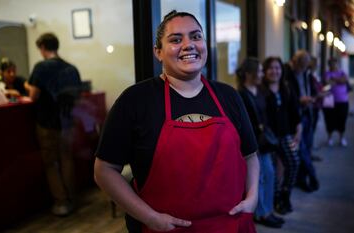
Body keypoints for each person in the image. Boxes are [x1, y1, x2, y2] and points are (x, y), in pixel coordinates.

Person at [94, 11, 259, 233]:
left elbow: (250, 156)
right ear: (158, 52)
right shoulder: (135, 101)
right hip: (163, 229)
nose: (188, 45)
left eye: (196, 36)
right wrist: (150, 217)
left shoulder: (229, 96)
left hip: (230, 225)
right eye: (175, 39)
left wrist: (252, 197)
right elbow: (104, 170)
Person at [25, 32, 82, 216]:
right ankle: (72, 198)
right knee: (67, 159)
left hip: (47, 123)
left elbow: (33, 95)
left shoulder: (41, 67)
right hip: (67, 122)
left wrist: (26, 85)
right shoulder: (71, 68)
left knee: (51, 163)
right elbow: (77, 96)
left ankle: (61, 203)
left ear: (42, 47)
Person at [237, 57, 284, 228]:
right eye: (259, 71)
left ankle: (267, 210)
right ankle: (262, 213)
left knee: (268, 175)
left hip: (263, 143)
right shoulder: (242, 94)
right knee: (261, 178)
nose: (262, 74)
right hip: (253, 145)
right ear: (249, 74)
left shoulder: (259, 91)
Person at [262, 56, 302, 215]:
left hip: (285, 135)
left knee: (294, 162)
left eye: (277, 68)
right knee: (272, 171)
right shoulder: (261, 91)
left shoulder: (286, 88)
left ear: (282, 70)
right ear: (265, 71)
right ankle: (277, 199)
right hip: (268, 139)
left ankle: (285, 194)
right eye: (271, 68)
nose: (274, 71)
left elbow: (295, 112)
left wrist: (298, 130)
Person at [283, 50, 319, 193]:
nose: (304, 69)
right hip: (296, 116)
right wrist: (300, 100)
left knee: (307, 148)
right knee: (301, 149)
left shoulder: (306, 74)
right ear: (295, 62)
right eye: (302, 66)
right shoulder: (287, 74)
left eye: (306, 66)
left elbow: (310, 90)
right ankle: (310, 176)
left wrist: (314, 97)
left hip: (308, 113)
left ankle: (303, 177)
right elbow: (288, 98)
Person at [323, 57, 350, 147]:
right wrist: (338, 80)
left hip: (343, 101)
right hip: (330, 101)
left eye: (334, 63)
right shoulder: (327, 73)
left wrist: (334, 79)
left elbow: (344, 80)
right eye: (331, 63)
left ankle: (341, 138)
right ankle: (329, 138)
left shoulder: (342, 72)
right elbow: (328, 82)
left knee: (342, 120)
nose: (333, 65)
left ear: (337, 64)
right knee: (329, 120)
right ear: (329, 64)